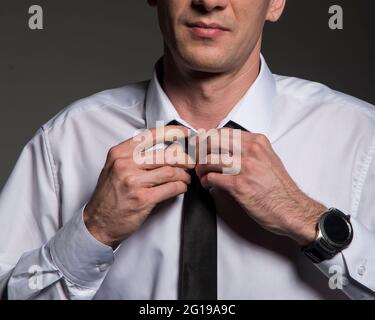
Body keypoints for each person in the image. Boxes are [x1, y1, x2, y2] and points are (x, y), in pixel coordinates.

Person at [0, 0, 374, 300]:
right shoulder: (63, 141)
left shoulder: (362, 138)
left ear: (275, 3)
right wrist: (93, 231)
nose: (209, 3)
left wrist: (309, 220)